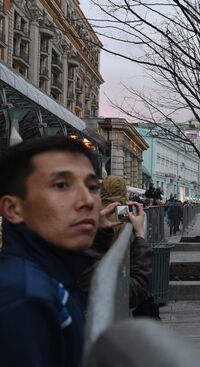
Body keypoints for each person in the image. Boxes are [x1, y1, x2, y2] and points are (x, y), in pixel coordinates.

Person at [0, 136, 143, 367]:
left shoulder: (52, 277)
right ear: (13, 208)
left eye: (92, 187)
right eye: (61, 185)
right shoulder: (24, 300)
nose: (87, 200)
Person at [80, 175, 152, 311]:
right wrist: (140, 235)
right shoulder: (125, 210)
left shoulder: (95, 209)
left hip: (98, 263)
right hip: (118, 269)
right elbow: (136, 289)